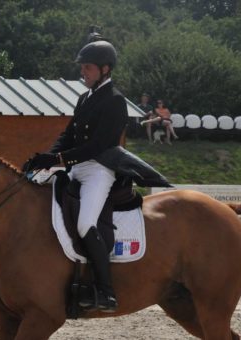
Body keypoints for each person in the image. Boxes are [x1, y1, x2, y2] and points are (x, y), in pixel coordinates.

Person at [24, 39, 170, 313]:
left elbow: (98, 146)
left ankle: (106, 290)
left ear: (105, 69)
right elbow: (68, 136)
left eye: (88, 68)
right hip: (75, 166)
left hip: (99, 170)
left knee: (85, 223)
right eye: (82, 67)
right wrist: (44, 158)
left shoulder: (115, 100)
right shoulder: (85, 98)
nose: (83, 72)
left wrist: (57, 160)